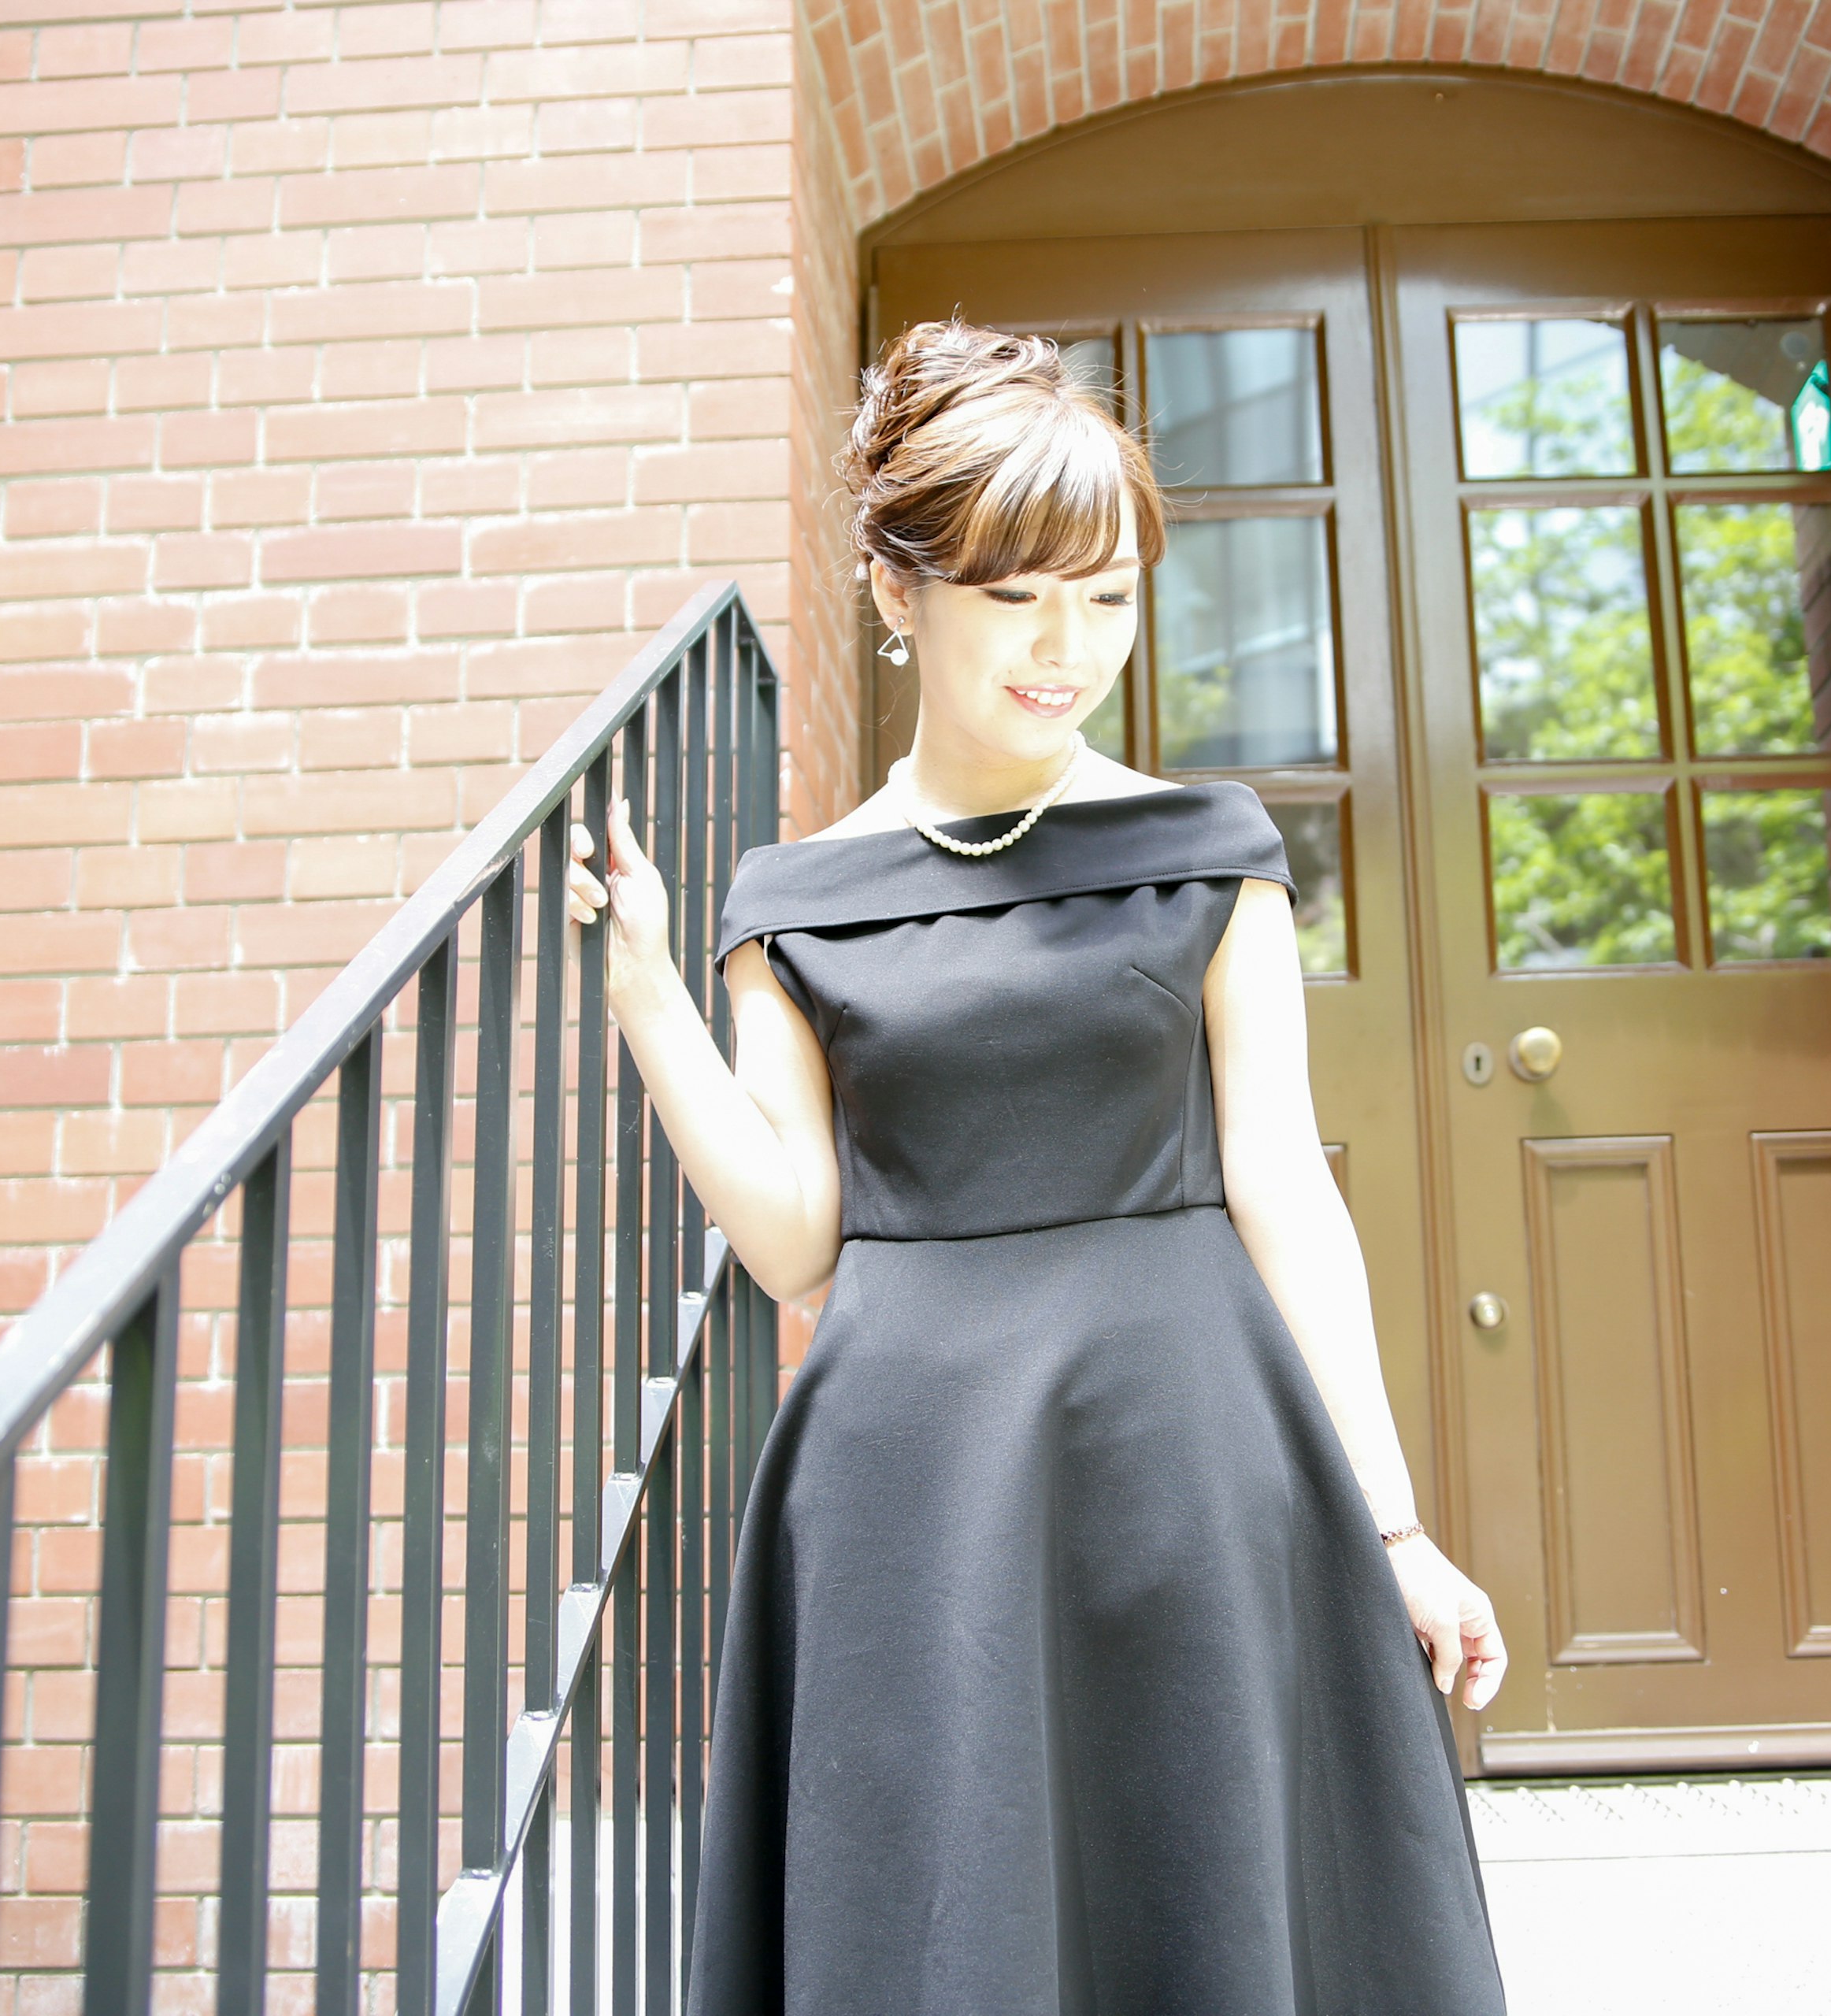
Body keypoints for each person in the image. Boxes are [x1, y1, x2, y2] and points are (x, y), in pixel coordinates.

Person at [569, 319, 1510, 2015]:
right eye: (1018, 596)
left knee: (1198, 1899)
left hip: (1189, 1452)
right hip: (911, 1485)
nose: (1068, 645)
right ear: (899, 591)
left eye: (1110, 596)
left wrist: (1394, 1523)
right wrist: (648, 994)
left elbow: (1285, 1187)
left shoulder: (1208, 853)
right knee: (947, 1920)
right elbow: (797, 1244)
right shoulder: (795, 901)